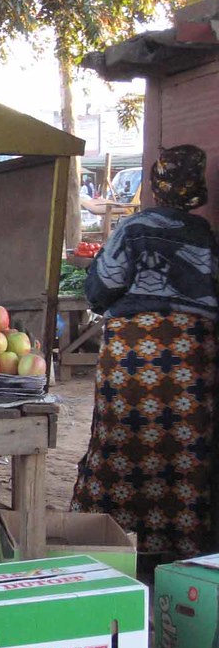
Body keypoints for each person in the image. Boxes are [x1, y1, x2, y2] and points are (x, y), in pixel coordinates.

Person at [71, 144, 218, 561]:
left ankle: (112, 540)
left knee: (122, 440)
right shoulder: (207, 237)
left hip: (134, 354)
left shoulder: (134, 230)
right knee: (182, 451)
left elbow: (100, 290)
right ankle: (181, 552)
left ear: (157, 184)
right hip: (193, 356)